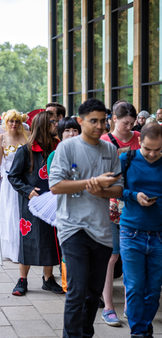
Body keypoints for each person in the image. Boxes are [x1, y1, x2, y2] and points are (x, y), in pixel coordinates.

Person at [49, 98, 123, 338]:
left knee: (93, 293)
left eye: (103, 121)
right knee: (77, 290)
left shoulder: (110, 150)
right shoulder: (66, 148)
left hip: (101, 230)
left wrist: (101, 190)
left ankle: (85, 334)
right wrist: (91, 183)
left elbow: (119, 188)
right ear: (80, 121)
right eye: (94, 121)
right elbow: (56, 186)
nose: (100, 126)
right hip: (73, 228)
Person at [8, 110, 63, 296]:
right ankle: (22, 279)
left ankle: (48, 279)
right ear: (43, 126)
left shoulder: (59, 148)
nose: (56, 125)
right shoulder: (26, 150)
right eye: (52, 122)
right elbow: (13, 176)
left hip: (54, 202)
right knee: (29, 239)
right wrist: (27, 191)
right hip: (32, 204)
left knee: (51, 238)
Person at [98, 101, 140, 326]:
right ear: (114, 118)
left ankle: (130, 306)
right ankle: (108, 306)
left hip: (134, 203)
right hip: (109, 203)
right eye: (125, 123)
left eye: (132, 124)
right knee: (111, 256)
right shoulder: (104, 141)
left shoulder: (139, 138)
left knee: (130, 256)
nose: (129, 127)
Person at [119, 122, 162, 338]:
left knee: (153, 290)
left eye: (158, 150)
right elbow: (115, 189)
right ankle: (138, 332)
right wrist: (133, 196)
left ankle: (144, 327)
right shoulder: (126, 159)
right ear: (139, 143)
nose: (153, 154)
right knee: (135, 286)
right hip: (131, 231)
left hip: (159, 234)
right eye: (147, 149)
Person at [0, 109, 28, 263]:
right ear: (6, 122)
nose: (14, 124)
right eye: (11, 121)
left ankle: (24, 249)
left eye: (17, 121)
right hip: (9, 182)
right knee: (10, 214)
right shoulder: (1, 138)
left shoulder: (26, 137)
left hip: (24, 181)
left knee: (22, 214)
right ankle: (11, 250)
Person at [46, 117, 81, 293]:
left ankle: (89, 290)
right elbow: (55, 185)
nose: (71, 133)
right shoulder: (54, 155)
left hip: (87, 207)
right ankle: (71, 288)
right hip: (65, 208)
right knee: (69, 248)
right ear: (60, 134)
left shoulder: (87, 152)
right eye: (67, 130)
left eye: (74, 130)